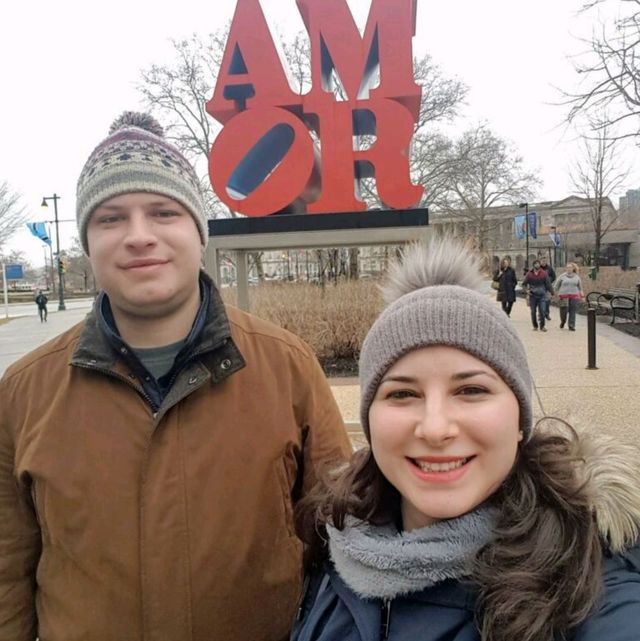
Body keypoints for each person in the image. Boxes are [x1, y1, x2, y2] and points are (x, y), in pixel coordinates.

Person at [0, 112, 351, 641]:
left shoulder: (287, 366)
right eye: (111, 218)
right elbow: (8, 568)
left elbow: (342, 539)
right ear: (88, 242)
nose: (139, 237)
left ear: (197, 230)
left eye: (163, 212)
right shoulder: (24, 391)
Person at [291, 238, 640, 641]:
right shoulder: (334, 539)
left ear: (521, 419)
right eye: (402, 394)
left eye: (471, 391)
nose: (436, 429)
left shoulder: (587, 582)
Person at [523, 259, 553, 331]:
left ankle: (542, 326)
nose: (537, 265)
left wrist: (552, 292)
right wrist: (526, 291)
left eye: (538, 264)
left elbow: (548, 284)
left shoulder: (543, 274)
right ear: (533, 265)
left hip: (542, 295)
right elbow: (524, 284)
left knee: (542, 311)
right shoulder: (529, 274)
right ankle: (535, 326)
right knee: (533, 311)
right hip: (532, 295)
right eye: (536, 264)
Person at [554, 262, 585, 331]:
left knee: (572, 311)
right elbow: (556, 286)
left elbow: (580, 288)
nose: (569, 269)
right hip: (563, 296)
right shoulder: (562, 276)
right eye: (567, 267)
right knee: (563, 311)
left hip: (574, 296)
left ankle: (571, 325)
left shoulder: (577, 277)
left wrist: (582, 296)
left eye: (570, 267)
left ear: (573, 268)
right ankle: (563, 321)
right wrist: (555, 294)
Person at [539, 256, 556, 321]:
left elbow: (554, 276)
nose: (544, 262)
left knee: (547, 301)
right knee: (540, 301)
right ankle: (541, 314)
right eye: (542, 261)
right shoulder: (538, 268)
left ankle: (546, 313)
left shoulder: (549, 268)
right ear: (540, 262)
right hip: (540, 287)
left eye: (545, 261)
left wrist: (549, 280)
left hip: (547, 287)